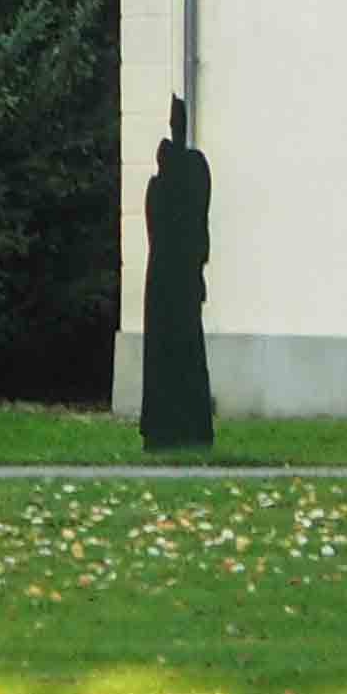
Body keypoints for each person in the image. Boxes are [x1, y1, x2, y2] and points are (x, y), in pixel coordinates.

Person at [139, 101, 216, 455]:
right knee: (173, 351)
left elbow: (194, 228)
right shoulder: (168, 183)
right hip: (172, 279)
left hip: (177, 279)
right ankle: (170, 427)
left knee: (180, 350)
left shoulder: (187, 175)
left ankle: (180, 427)